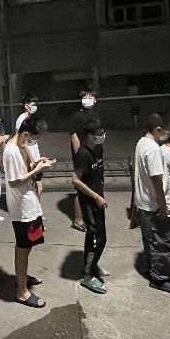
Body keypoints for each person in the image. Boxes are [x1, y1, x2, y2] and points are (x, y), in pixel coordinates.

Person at [4, 116, 53, 307]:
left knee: (28, 245)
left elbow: (24, 169)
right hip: (22, 207)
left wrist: (36, 162)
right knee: (23, 247)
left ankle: (22, 277)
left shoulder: (20, 145)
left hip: (29, 204)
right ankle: (22, 291)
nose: (33, 142)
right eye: (33, 138)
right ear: (25, 133)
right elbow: (14, 181)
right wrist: (36, 170)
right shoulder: (10, 151)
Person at [134, 113, 170, 293]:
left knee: (151, 239)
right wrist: (163, 204)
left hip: (145, 202)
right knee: (162, 242)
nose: (167, 133)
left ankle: (152, 269)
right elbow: (156, 178)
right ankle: (160, 279)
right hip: (154, 203)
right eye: (167, 130)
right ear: (158, 129)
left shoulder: (141, 142)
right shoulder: (152, 148)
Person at [73, 119, 108, 294]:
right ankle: (87, 275)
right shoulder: (82, 154)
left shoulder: (98, 148)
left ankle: (92, 266)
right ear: (88, 135)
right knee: (95, 237)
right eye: (98, 134)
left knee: (101, 237)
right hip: (89, 201)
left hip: (98, 199)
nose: (101, 136)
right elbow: (75, 180)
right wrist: (95, 196)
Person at [69, 89, 99, 232]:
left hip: (93, 155)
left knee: (91, 186)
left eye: (90, 96)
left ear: (95, 100)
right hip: (83, 157)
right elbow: (74, 137)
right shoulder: (77, 117)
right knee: (81, 188)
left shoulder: (95, 116)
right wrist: (80, 156)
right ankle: (78, 221)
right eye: (85, 97)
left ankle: (89, 215)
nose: (88, 99)